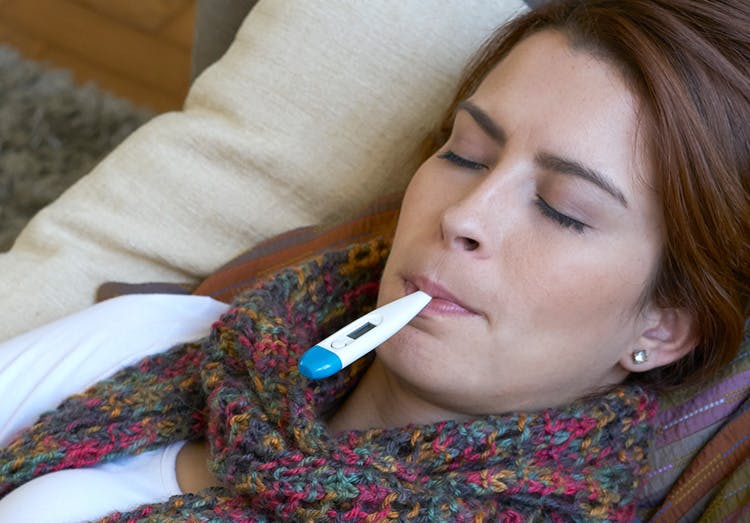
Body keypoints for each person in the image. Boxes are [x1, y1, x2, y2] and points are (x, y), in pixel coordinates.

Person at [0, 0, 748, 520]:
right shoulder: (173, 339)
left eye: (562, 209)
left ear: (668, 324)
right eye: (465, 153)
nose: (464, 215)